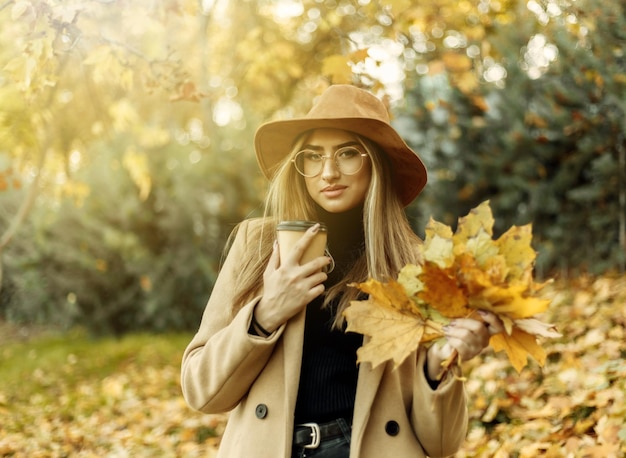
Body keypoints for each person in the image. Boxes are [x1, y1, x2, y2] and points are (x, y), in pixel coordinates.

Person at [181, 84, 502, 458]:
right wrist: (266, 314)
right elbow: (200, 391)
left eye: (348, 153)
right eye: (313, 156)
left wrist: (439, 363)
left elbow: (441, 444)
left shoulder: (416, 265)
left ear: (377, 162)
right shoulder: (258, 245)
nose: (328, 172)